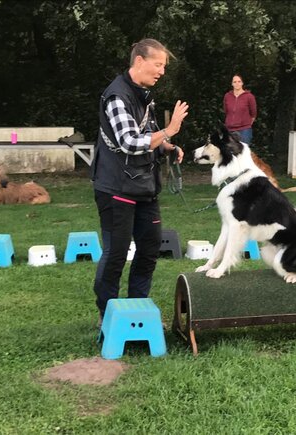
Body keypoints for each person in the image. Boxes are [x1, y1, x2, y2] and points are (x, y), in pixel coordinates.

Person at [91, 38, 188, 323]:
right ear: (139, 61)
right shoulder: (117, 96)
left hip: (144, 186)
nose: (162, 72)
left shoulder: (144, 95)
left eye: (164, 66)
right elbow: (129, 142)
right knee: (116, 253)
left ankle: (137, 309)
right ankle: (107, 315)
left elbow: (148, 133)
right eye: (158, 65)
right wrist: (170, 130)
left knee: (148, 250)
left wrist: (167, 146)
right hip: (116, 187)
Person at [223, 74, 257, 145]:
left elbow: (253, 113)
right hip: (230, 129)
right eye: (234, 82)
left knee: (243, 150)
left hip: (244, 130)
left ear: (242, 83)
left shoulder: (249, 97)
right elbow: (226, 111)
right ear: (232, 84)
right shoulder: (227, 96)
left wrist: (246, 123)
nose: (237, 83)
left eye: (239, 81)